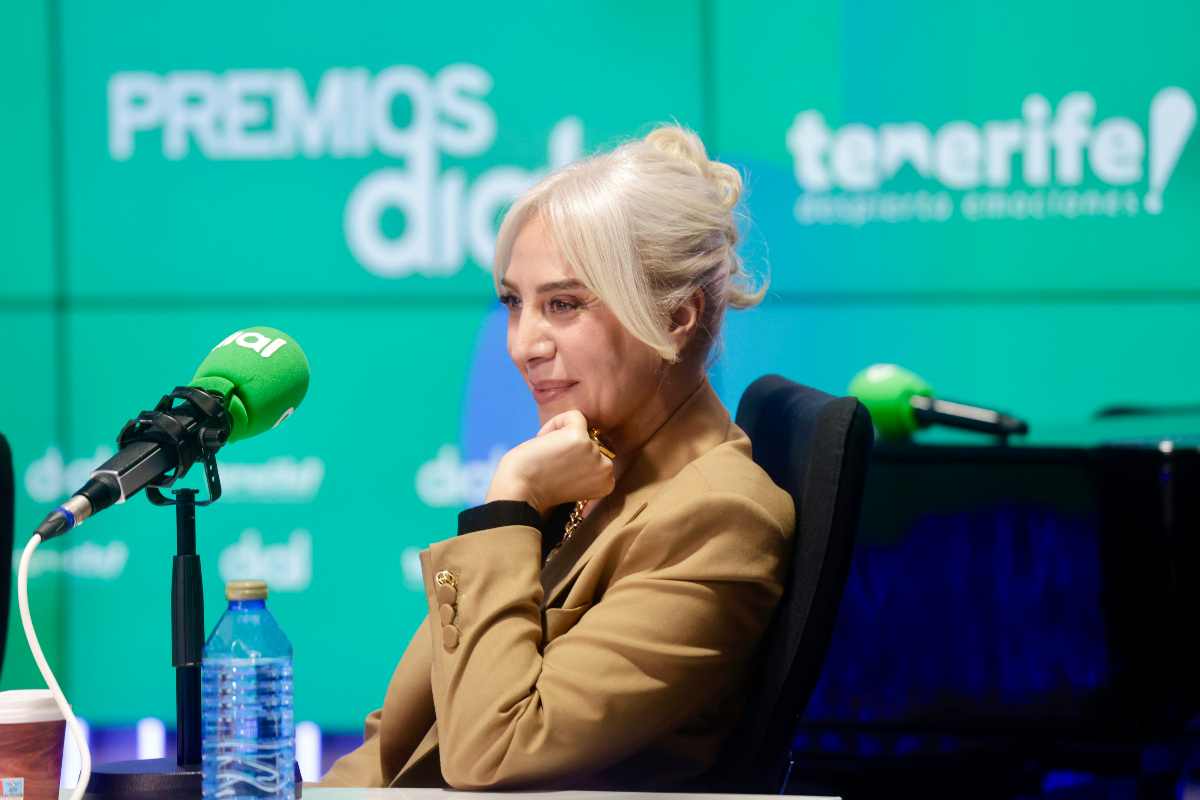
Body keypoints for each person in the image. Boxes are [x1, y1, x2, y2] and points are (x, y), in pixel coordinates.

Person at [318, 125, 795, 791]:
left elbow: (494, 752)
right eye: (515, 303)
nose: (522, 344)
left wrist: (508, 508)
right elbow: (403, 738)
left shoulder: (720, 517)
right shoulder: (587, 467)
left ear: (677, 317)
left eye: (563, 304)